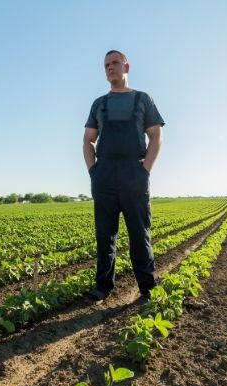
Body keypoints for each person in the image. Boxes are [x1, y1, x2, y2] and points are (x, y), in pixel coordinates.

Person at [83, 50, 165, 302]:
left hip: (134, 173)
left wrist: (145, 169)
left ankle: (147, 286)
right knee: (104, 235)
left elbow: (155, 136)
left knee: (140, 234)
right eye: (106, 64)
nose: (110, 67)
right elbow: (88, 140)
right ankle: (103, 286)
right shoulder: (99, 103)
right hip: (104, 174)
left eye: (115, 63)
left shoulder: (143, 99)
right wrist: (94, 172)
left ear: (126, 67)